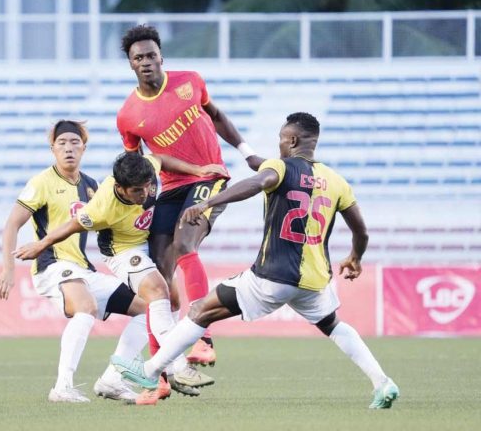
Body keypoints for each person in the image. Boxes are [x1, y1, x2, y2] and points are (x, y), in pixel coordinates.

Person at [112, 112, 400, 409]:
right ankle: (382, 382)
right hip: (315, 281)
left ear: (292, 140)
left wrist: (208, 202)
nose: (279, 145)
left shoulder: (279, 168)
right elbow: (361, 231)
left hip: (272, 277)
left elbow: (259, 181)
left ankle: (149, 371)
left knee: (200, 310)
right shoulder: (336, 181)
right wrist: (355, 258)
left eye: (280, 140)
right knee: (334, 325)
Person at [15, 152, 223, 405]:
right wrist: (42, 244)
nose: (145, 194)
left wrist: (198, 170)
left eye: (148, 187)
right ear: (119, 188)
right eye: (137, 191)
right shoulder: (101, 208)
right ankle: (178, 366)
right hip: (122, 252)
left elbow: (159, 158)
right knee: (157, 292)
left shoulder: (145, 170)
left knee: (169, 304)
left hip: (147, 243)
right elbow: (71, 226)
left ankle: (112, 379)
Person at [116, 24, 262, 367]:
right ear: (131, 65)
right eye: (139, 58)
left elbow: (217, 117)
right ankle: (161, 369)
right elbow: (137, 163)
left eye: (152, 55)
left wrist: (248, 153)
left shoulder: (190, 81)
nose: (147, 61)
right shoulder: (127, 116)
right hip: (169, 186)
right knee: (157, 273)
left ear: (161, 56)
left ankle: (203, 339)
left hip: (209, 177)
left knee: (184, 243)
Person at [0, 120, 149, 404]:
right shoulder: (41, 183)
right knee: (86, 308)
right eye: (62, 143)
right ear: (52, 148)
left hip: (82, 269)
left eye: (74, 143)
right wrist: (8, 269)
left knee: (147, 310)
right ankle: (62, 387)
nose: (68, 148)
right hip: (52, 266)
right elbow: (12, 225)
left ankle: (113, 379)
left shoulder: (93, 187)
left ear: (84, 148)